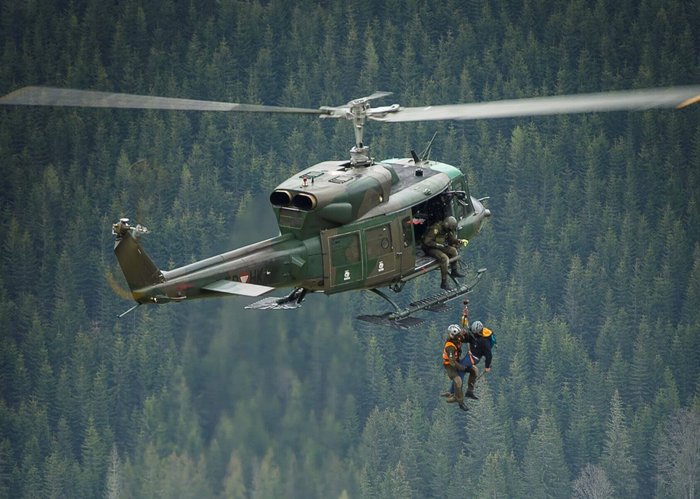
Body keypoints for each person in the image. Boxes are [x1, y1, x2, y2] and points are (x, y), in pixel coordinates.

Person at [422, 216, 468, 290]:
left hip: (440, 246)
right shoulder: (436, 229)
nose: (449, 230)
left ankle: (454, 270)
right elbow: (427, 242)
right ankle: (444, 282)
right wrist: (437, 245)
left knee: (453, 251)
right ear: (446, 225)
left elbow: (451, 239)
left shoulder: (447, 231)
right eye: (449, 229)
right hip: (430, 248)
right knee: (444, 258)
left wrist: (459, 241)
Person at [464, 320, 495, 399]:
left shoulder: (485, 341)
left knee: (472, 370)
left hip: (480, 351)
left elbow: (489, 355)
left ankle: (468, 390)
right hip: (476, 351)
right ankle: (469, 391)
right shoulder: (475, 331)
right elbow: (467, 326)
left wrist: (487, 366)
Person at [442, 324, 469, 411]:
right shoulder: (450, 347)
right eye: (458, 335)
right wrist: (463, 368)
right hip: (449, 365)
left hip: (456, 361)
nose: (459, 336)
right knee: (458, 381)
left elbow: (463, 335)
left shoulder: (456, 338)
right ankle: (460, 402)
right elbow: (452, 362)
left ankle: (451, 392)